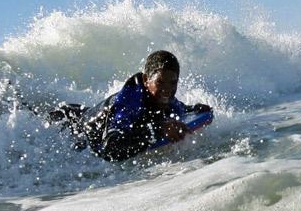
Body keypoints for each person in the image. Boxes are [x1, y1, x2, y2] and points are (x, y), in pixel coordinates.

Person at [50, 50, 212, 162]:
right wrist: (157, 129)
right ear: (146, 80)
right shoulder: (129, 103)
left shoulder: (166, 99)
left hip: (88, 112)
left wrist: (196, 109)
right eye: (160, 82)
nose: (167, 90)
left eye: (173, 83)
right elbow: (110, 148)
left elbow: (182, 109)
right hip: (72, 124)